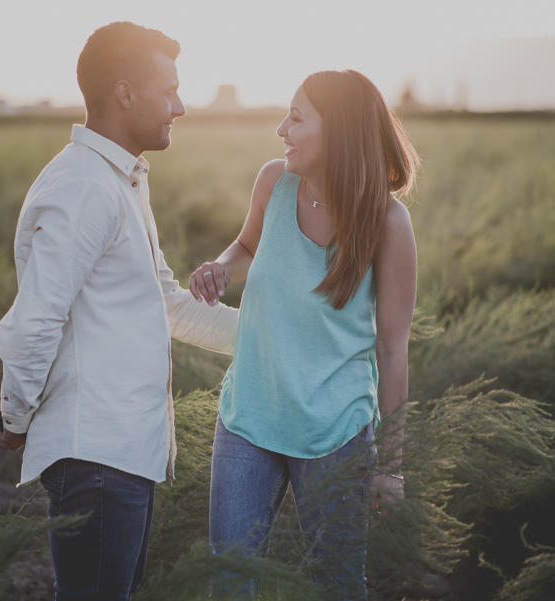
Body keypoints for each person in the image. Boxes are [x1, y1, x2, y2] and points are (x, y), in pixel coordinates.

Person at [0, 22, 238, 601]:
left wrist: (276, 336)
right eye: (168, 90)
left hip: (121, 453)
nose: (181, 106)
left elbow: (167, 303)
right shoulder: (85, 187)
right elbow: (35, 321)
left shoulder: (118, 180)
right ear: (125, 93)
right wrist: (18, 417)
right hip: (95, 457)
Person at [188, 69, 420, 600]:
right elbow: (245, 246)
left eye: (295, 118)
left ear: (338, 132)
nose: (280, 129)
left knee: (338, 587)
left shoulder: (388, 222)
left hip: (336, 434)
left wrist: (392, 468)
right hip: (249, 419)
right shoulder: (274, 181)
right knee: (230, 584)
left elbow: (392, 349)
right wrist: (221, 267)